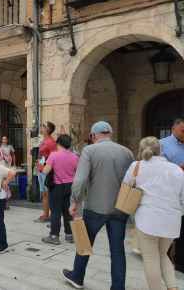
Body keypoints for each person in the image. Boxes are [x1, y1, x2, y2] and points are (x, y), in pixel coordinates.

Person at [62, 121, 134, 290]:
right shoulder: (127, 152)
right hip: (120, 208)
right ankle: (118, 287)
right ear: (110, 133)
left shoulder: (89, 150)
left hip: (95, 207)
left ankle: (77, 276)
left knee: (84, 243)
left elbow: (79, 180)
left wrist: (74, 201)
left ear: (94, 136)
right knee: (117, 251)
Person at [123, 137, 183, 290]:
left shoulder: (136, 166)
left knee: (151, 259)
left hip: (147, 219)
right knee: (163, 255)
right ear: (160, 150)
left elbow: (126, 186)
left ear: (141, 149)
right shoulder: (176, 169)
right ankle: (172, 287)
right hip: (171, 220)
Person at [41, 134, 78, 245]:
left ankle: (54, 236)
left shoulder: (54, 155)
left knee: (56, 211)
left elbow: (45, 171)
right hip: (70, 186)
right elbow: (78, 172)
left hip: (57, 186)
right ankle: (69, 235)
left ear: (58, 143)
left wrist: (41, 166)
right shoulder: (75, 156)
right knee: (68, 211)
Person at [160, 118, 184, 273]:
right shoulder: (161, 144)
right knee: (168, 229)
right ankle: (165, 260)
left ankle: (181, 263)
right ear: (174, 127)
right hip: (169, 194)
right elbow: (158, 167)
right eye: (183, 130)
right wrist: (178, 169)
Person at [35, 121, 57, 223]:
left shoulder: (51, 142)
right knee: (44, 193)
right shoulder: (44, 140)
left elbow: (53, 158)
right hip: (41, 169)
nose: (41, 127)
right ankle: (45, 214)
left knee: (47, 194)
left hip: (46, 170)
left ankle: (50, 216)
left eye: (43, 126)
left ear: (48, 130)